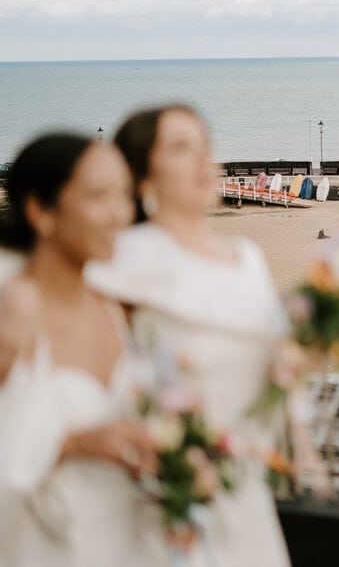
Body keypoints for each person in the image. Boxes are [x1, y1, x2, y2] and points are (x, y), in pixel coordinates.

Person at [87, 105, 292, 566]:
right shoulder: (122, 263)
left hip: (245, 489)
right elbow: (100, 383)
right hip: (165, 495)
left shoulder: (249, 257)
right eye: (181, 148)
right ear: (142, 177)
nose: (203, 160)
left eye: (205, 145)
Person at [0, 133, 165, 565]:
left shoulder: (114, 306)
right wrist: (68, 444)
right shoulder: (13, 310)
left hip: (127, 543)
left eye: (124, 195)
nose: (119, 214)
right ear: (41, 210)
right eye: (98, 195)